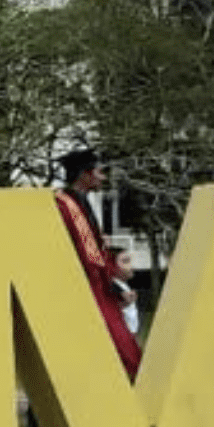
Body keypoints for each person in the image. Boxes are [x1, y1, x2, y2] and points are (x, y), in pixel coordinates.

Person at [54, 148, 141, 379]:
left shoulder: (78, 202)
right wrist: (110, 285)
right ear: (85, 174)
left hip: (98, 283)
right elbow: (87, 255)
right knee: (122, 350)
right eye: (99, 173)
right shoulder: (65, 206)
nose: (103, 178)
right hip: (86, 287)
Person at [110, 244, 141, 336]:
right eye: (125, 261)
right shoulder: (113, 286)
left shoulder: (123, 285)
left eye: (130, 261)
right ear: (112, 266)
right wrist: (125, 302)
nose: (131, 266)